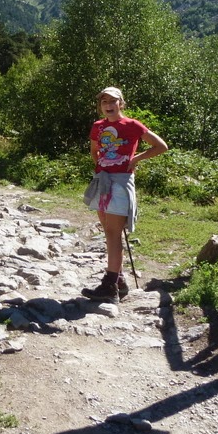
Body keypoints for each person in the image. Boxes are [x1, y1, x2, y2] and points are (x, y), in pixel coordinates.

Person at [82, 86, 168, 303]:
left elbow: (161, 146)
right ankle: (118, 281)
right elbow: (94, 151)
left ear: (121, 103)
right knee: (110, 231)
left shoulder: (132, 125)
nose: (108, 106)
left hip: (120, 183)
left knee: (112, 232)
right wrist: (102, 167)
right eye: (104, 102)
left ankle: (110, 287)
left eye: (112, 101)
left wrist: (135, 160)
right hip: (103, 182)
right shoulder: (98, 126)